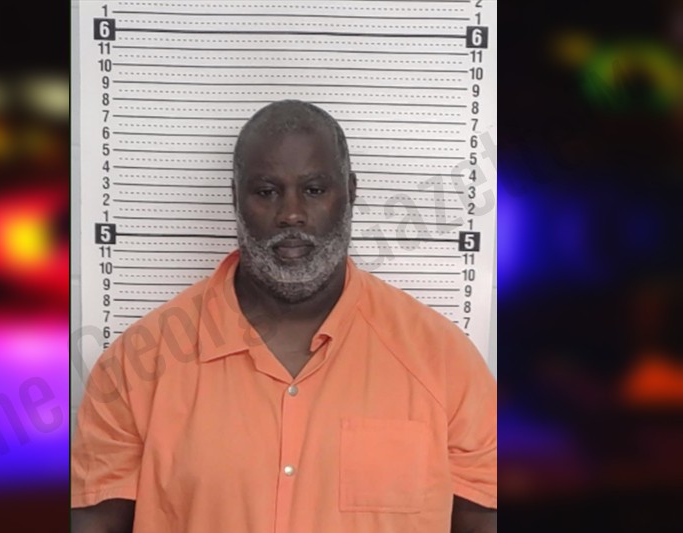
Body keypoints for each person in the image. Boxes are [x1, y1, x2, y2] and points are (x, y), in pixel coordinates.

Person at [71, 100, 497, 533]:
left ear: (351, 192)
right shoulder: (137, 365)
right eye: (266, 191)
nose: (291, 214)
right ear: (235, 198)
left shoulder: (444, 361)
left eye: (314, 190)